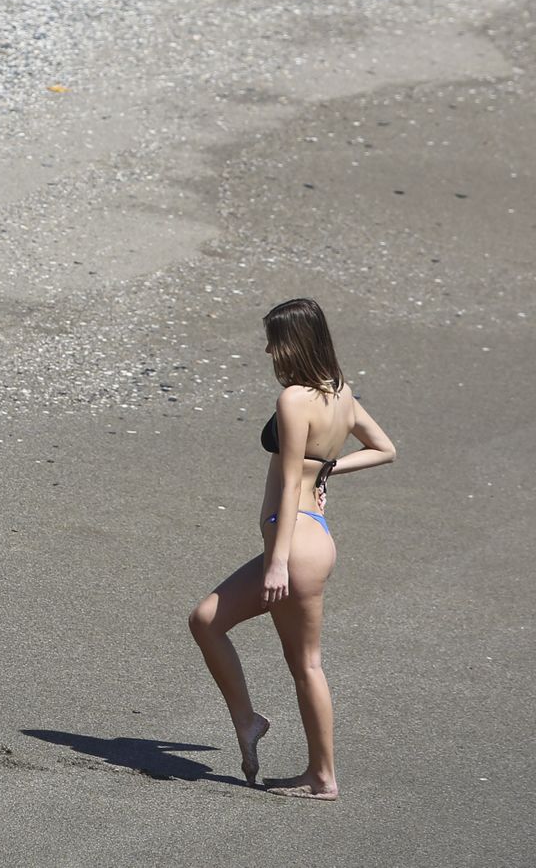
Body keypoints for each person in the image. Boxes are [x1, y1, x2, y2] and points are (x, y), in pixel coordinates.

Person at [188, 298, 395, 800]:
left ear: (294, 343)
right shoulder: (339, 394)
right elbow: (384, 449)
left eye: (274, 340)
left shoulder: (295, 399)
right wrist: (327, 467)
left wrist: (277, 560)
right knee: (208, 622)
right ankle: (251, 723)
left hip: (294, 542)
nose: (268, 349)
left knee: (301, 663)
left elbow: (286, 486)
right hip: (316, 536)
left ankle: (320, 776)